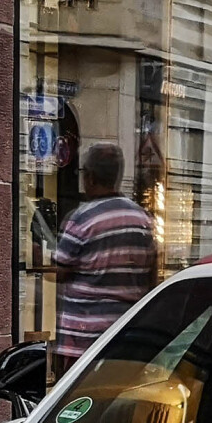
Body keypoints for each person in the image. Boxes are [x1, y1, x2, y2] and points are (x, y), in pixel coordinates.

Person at [51, 142, 156, 368]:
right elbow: (151, 274)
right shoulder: (142, 219)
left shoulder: (82, 218)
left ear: (89, 177)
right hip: (124, 335)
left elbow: (58, 271)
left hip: (83, 339)